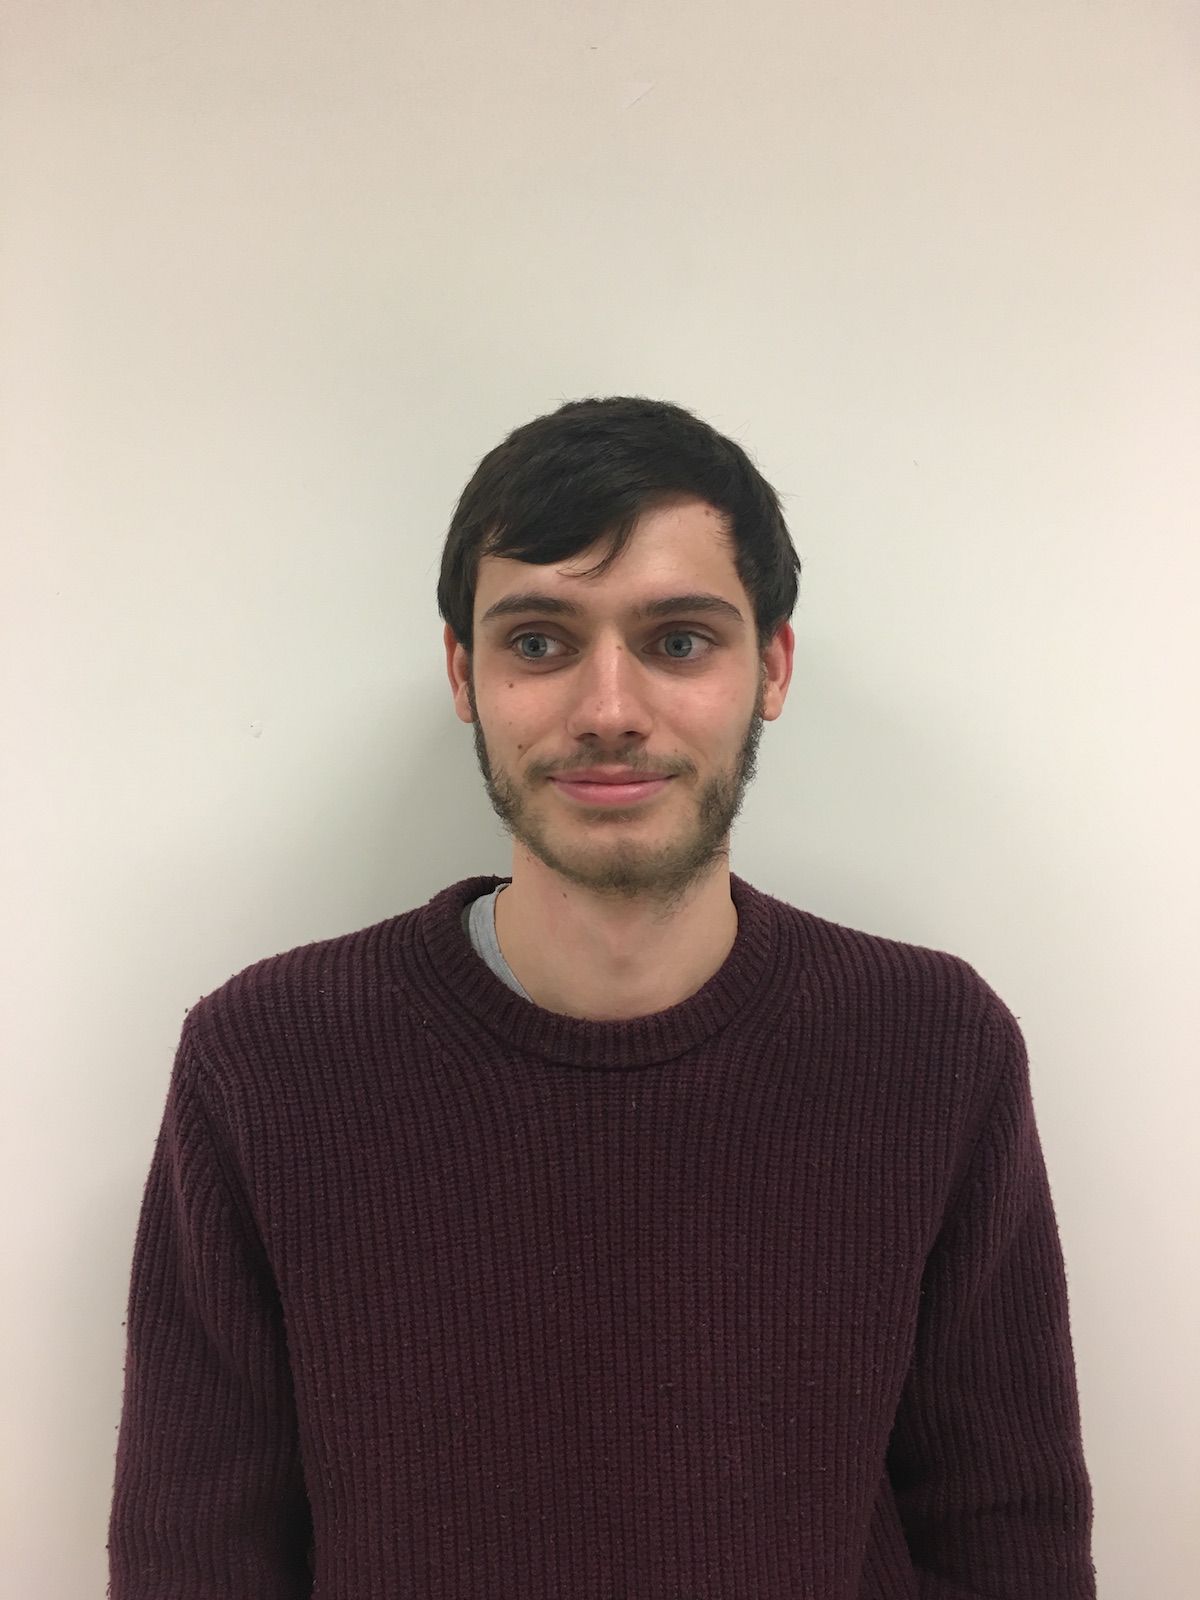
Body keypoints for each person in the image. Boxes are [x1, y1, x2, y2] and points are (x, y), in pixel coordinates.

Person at [107, 395, 1097, 1597]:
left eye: (679, 640)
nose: (610, 709)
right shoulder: (268, 1063)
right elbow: (192, 1559)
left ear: (772, 667)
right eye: (539, 642)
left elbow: (1008, 1539)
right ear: (464, 673)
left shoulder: (931, 1049)